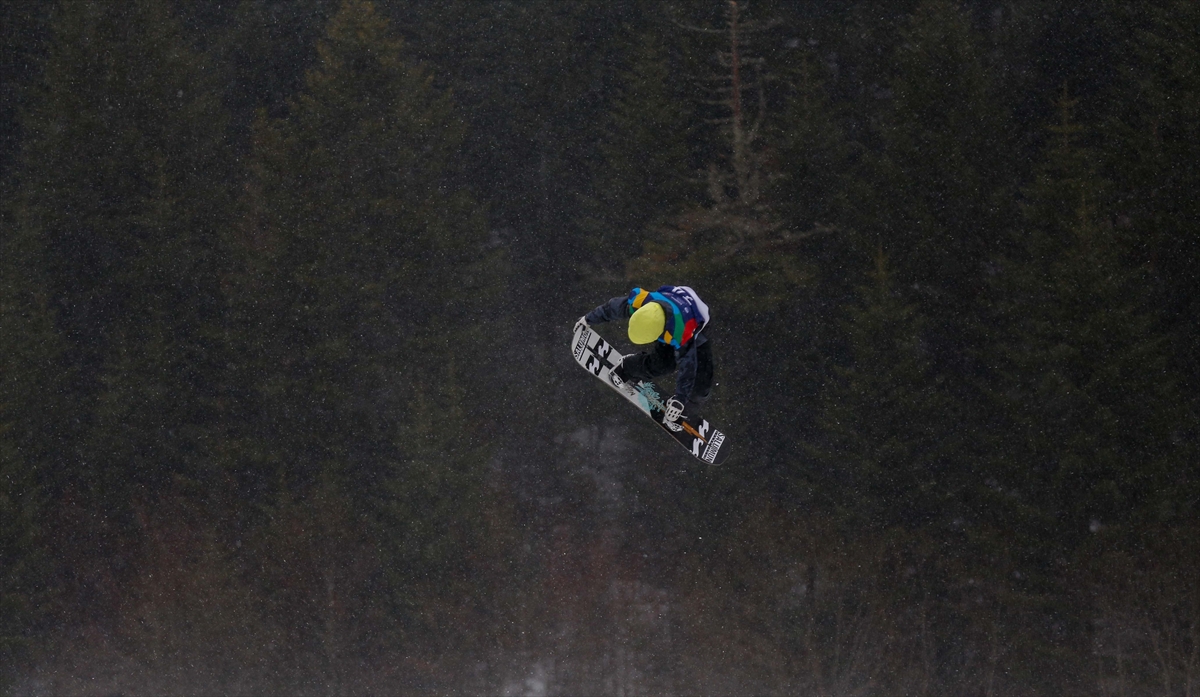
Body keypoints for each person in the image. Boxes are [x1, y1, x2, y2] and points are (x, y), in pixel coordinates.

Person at [575, 285, 714, 429]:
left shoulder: (681, 332)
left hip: (697, 322)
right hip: (665, 308)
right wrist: (589, 318)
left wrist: (680, 400)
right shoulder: (641, 303)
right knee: (663, 365)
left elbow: (688, 367)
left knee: (702, 384)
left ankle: (685, 411)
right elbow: (612, 308)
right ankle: (628, 367)